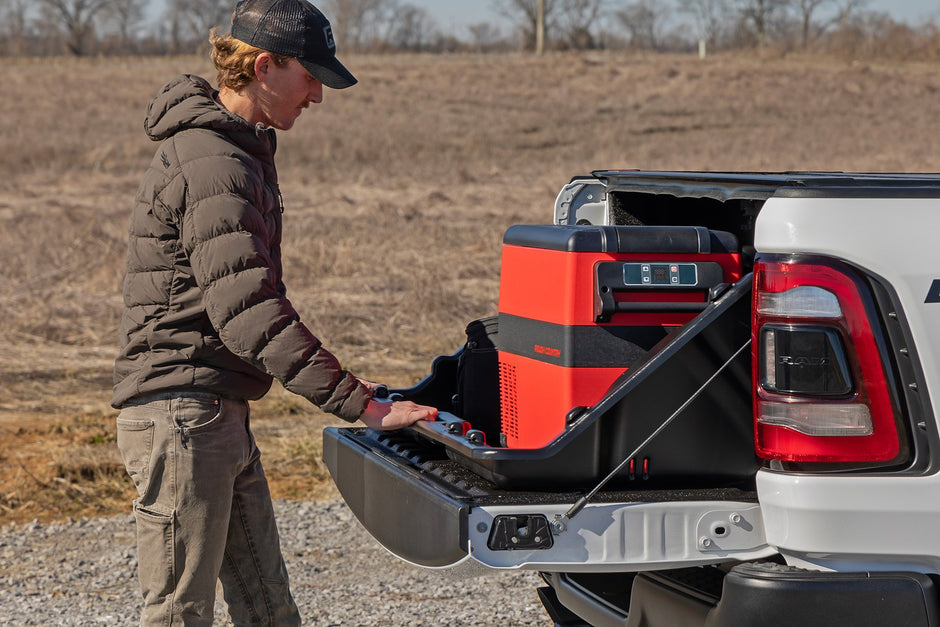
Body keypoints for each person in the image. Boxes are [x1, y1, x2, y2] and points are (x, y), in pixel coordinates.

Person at [111, 0, 438, 624]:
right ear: (264, 66)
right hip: (182, 419)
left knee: (268, 608)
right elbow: (249, 309)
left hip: (212, 412)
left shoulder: (237, 152)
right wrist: (360, 404)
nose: (317, 95)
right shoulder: (214, 162)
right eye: (310, 75)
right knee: (179, 615)